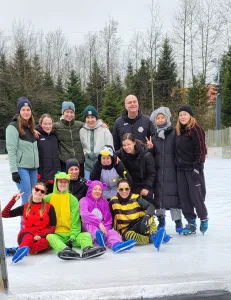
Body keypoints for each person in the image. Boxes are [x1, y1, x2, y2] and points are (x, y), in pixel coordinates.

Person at [44, 172, 106, 260]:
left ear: (68, 183)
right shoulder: (49, 198)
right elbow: (35, 202)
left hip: (71, 234)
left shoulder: (72, 199)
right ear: (56, 182)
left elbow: (75, 220)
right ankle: (65, 249)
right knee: (49, 237)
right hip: (57, 234)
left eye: (65, 182)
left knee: (86, 235)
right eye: (60, 182)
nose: (63, 184)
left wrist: (72, 237)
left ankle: (87, 248)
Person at [2, 182, 56, 264]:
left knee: (44, 243)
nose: (39, 192)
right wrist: (13, 200)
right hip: (26, 234)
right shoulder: (25, 207)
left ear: (44, 194)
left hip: (40, 236)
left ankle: (16, 250)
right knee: (28, 238)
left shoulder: (49, 207)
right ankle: (24, 247)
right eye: (37, 189)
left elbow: (52, 227)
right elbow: (4, 214)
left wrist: (40, 236)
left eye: (42, 191)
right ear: (32, 190)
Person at [110, 179, 170, 251]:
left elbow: (150, 206)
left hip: (140, 223)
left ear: (130, 189)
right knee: (129, 236)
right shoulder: (113, 201)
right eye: (121, 189)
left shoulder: (136, 198)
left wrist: (146, 217)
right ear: (117, 190)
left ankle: (155, 234)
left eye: (126, 189)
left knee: (150, 217)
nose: (124, 191)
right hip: (127, 230)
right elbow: (109, 218)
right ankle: (153, 238)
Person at [149, 107, 183, 234]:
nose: (160, 120)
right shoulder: (154, 136)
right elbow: (151, 156)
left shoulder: (174, 133)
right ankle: (161, 220)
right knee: (159, 198)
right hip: (159, 172)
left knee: (174, 198)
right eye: (158, 118)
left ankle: (178, 222)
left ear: (167, 118)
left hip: (171, 172)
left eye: (162, 117)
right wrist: (151, 148)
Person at [175, 105, 208, 235]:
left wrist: (197, 167)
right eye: (180, 115)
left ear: (190, 116)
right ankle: (190, 222)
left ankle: (203, 217)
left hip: (193, 169)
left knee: (196, 195)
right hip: (181, 170)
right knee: (184, 197)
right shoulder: (178, 131)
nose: (182, 117)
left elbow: (201, 150)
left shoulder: (196, 129)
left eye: (185, 114)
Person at [79, 180, 136, 253]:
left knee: (112, 232)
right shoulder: (84, 200)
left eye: (100, 189)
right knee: (92, 227)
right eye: (95, 189)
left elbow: (108, 219)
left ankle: (116, 245)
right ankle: (99, 238)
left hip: (103, 227)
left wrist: (106, 229)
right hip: (89, 226)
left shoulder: (104, 202)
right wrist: (99, 223)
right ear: (90, 189)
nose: (97, 191)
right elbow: (84, 214)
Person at [6, 97, 39, 206]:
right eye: (23, 109)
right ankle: (24, 224)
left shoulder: (30, 127)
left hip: (33, 169)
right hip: (21, 168)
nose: (26, 112)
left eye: (28, 109)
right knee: (27, 198)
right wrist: (14, 171)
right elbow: (11, 150)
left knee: (34, 197)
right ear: (19, 111)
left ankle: (31, 223)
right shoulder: (13, 127)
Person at [116, 133, 156, 204]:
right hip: (132, 185)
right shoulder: (122, 152)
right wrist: (114, 157)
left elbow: (152, 173)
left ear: (134, 143)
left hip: (145, 184)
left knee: (146, 206)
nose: (126, 147)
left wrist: (147, 187)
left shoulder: (146, 155)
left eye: (129, 144)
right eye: (124, 145)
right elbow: (111, 153)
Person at [80, 105, 114, 180]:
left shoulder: (104, 130)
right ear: (85, 119)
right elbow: (83, 147)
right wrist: (86, 155)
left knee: (101, 188)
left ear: (96, 118)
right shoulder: (82, 131)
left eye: (92, 117)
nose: (90, 120)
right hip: (88, 166)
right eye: (88, 117)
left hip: (102, 165)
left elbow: (110, 148)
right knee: (89, 188)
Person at [53, 101, 85, 176]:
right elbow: (44, 127)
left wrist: (101, 123)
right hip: (65, 162)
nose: (69, 114)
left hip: (79, 162)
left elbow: (92, 125)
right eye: (67, 112)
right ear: (63, 113)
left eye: (71, 112)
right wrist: (35, 130)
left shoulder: (80, 125)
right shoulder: (56, 126)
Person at [36, 114, 61, 193]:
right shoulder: (37, 136)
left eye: (50, 124)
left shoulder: (55, 136)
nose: (48, 126)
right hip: (43, 175)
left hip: (56, 174)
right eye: (45, 124)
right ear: (41, 124)